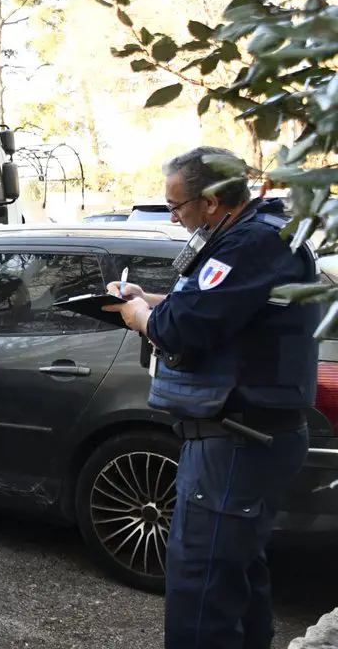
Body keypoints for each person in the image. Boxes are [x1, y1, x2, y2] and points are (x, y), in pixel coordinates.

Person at [103, 146, 320, 649]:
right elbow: (214, 307)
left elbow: (186, 328)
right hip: (241, 437)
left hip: (236, 439)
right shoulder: (253, 236)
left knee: (202, 584)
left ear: (213, 200)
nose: (175, 217)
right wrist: (148, 301)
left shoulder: (249, 242)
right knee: (235, 575)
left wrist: (142, 318)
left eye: (177, 206)